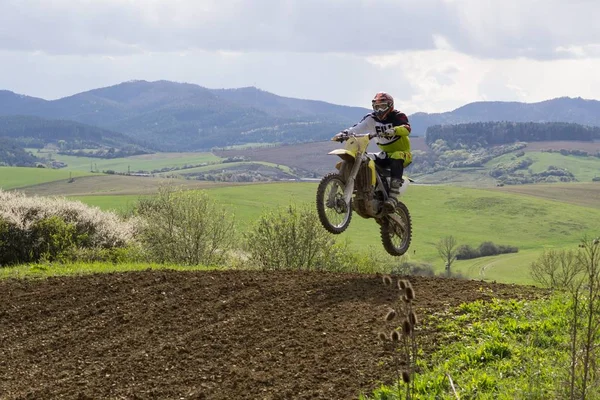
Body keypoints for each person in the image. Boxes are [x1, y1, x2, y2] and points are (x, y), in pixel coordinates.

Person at [335, 92, 412, 213]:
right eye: (377, 107)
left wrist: (394, 130)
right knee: (365, 159)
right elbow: (357, 127)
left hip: (402, 153)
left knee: (397, 155)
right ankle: (368, 191)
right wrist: (344, 133)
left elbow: (407, 128)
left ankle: (393, 197)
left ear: (390, 105)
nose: (379, 110)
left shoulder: (398, 116)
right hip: (385, 155)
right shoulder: (371, 118)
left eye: (383, 106)